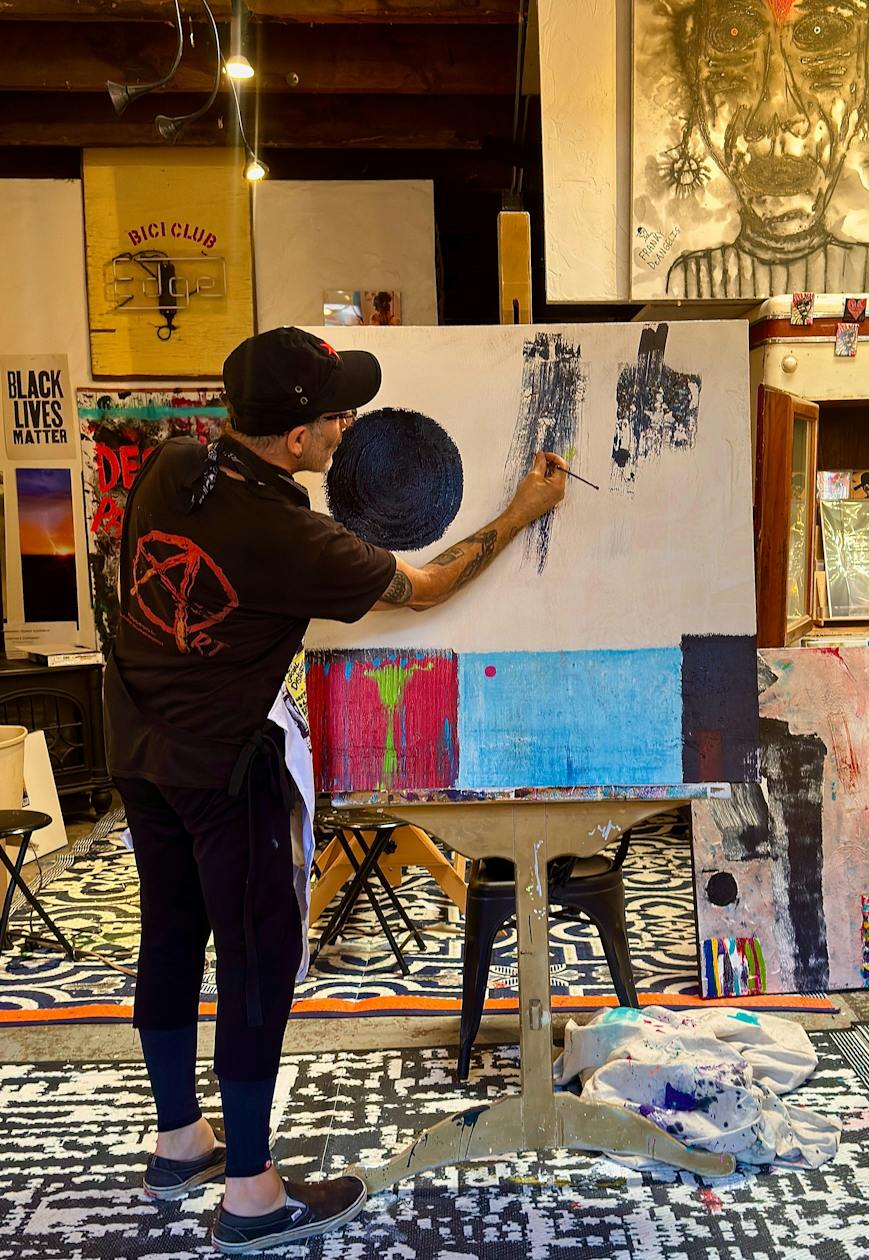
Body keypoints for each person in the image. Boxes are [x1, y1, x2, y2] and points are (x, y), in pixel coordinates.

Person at [103, 326, 568, 1255]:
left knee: (170, 934)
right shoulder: (295, 539)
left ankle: (179, 1142)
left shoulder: (173, 464)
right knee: (255, 963)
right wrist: (520, 512)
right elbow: (427, 585)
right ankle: (251, 1195)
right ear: (295, 439)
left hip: (139, 746)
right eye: (335, 415)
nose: (348, 424)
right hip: (224, 769)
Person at [660, 0, 869, 298]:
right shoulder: (690, 281)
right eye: (733, 33)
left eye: (820, 32)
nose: (777, 115)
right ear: (692, 58)